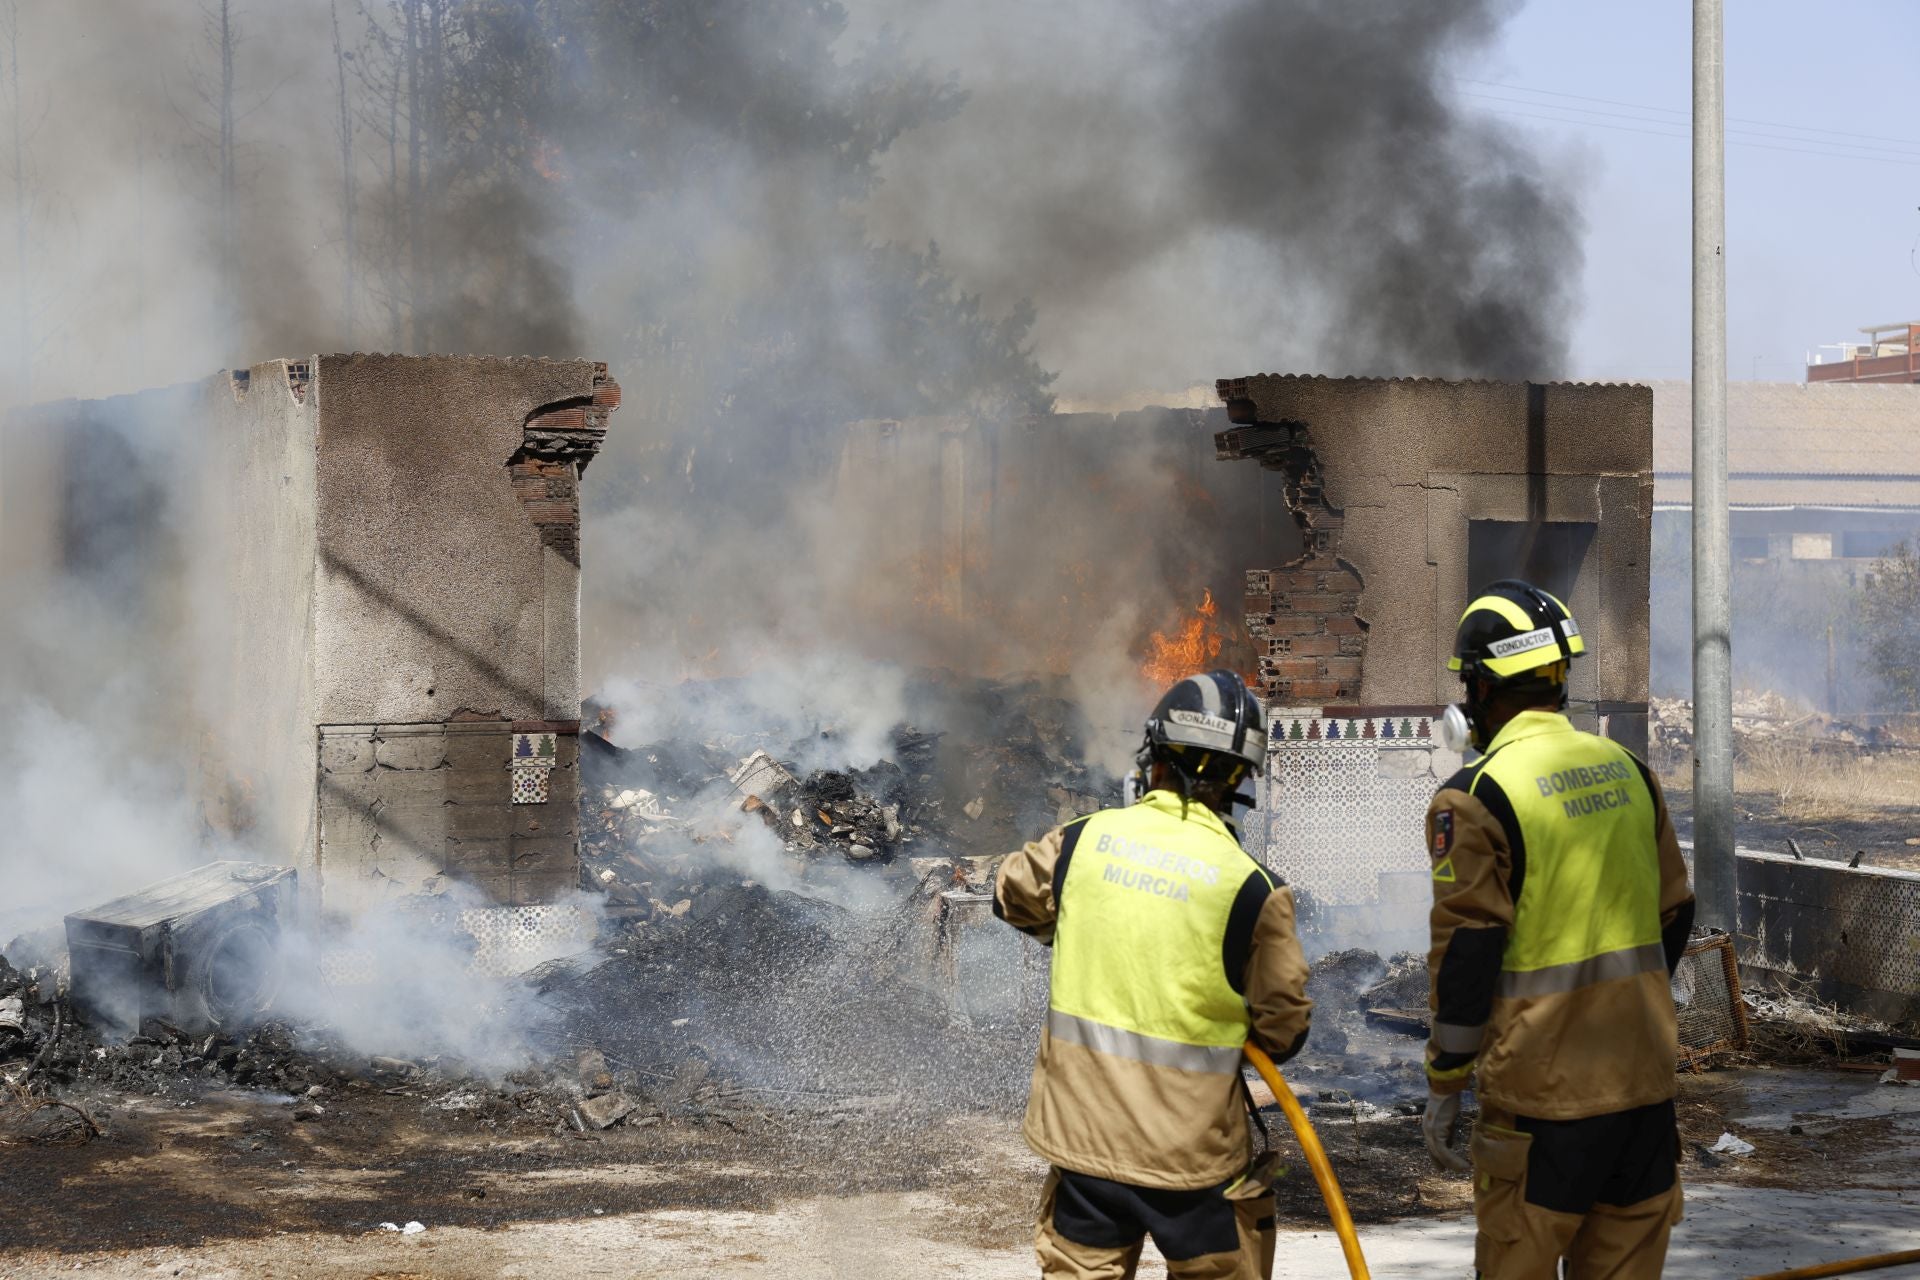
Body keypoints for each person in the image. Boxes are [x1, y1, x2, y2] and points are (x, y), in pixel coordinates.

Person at [994, 669, 1313, 1280]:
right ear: (1240, 778)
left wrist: (1083, 930)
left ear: (1155, 756)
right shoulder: (1253, 888)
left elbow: (1010, 895)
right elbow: (1284, 1032)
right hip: (1193, 1165)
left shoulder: (1082, 842)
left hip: (1083, 1149)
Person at [1421, 579, 1696, 1279]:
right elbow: (1675, 913)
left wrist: (1448, 1079)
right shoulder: (1631, 772)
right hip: (1643, 1096)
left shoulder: (1477, 794)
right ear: (1557, 680)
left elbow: (1470, 950)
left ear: (1481, 690)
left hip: (1543, 1106)